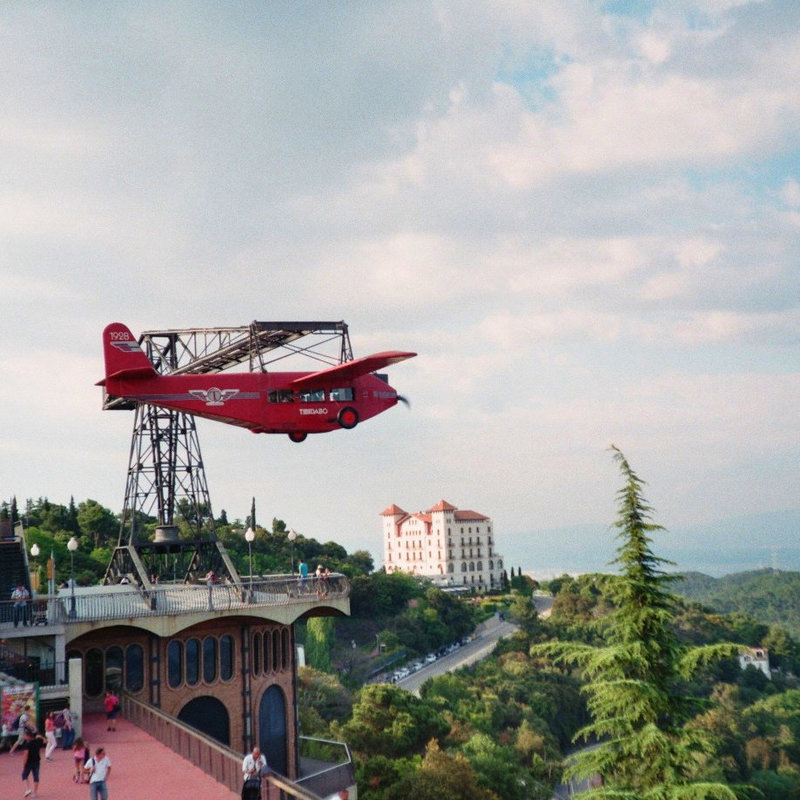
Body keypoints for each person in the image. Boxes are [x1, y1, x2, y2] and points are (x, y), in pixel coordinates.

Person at [9, 727, 46, 798]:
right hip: (37, 761)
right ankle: (35, 792)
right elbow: (45, 741)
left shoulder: (27, 744)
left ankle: (28, 788)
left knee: (24, 775)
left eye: (26, 735)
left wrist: (24, 764)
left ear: (29, 736)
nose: (25, 737)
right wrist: (41, 737)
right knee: (36, 776)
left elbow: (25, 755)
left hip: (29, 762)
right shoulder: (37, 741)